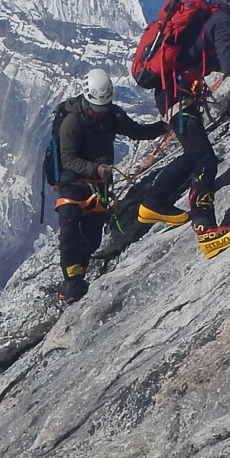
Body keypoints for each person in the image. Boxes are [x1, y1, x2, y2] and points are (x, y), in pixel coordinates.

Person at [137, 0, 230, 258]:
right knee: (205, 159)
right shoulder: (222, 21)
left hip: (171, 93)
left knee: (195, 154)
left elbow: (204, 57)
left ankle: (153, 202)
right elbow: (228, 64)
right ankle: (206, 232)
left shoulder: (210, 14)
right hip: (177, 94)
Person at [53, 67, 164, 302]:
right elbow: (67, 159)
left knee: (91, 238)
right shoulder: (72, 122)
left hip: (99, 187)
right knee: (70, 232)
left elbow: (136, 132)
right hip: (74, 184)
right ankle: (71, 282)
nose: (100, 112)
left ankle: (76, 277)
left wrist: (164, 127)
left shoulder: (112, 116)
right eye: (97, 108)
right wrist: (96, 169)